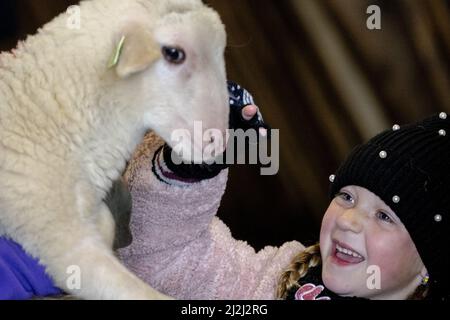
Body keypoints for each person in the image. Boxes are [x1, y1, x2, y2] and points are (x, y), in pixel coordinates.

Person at [1, 83, 449, 300]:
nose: (349, 219)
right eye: (347, 196)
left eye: (385, 215)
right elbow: (167, 261)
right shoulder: (275, 280)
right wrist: (189, 168)